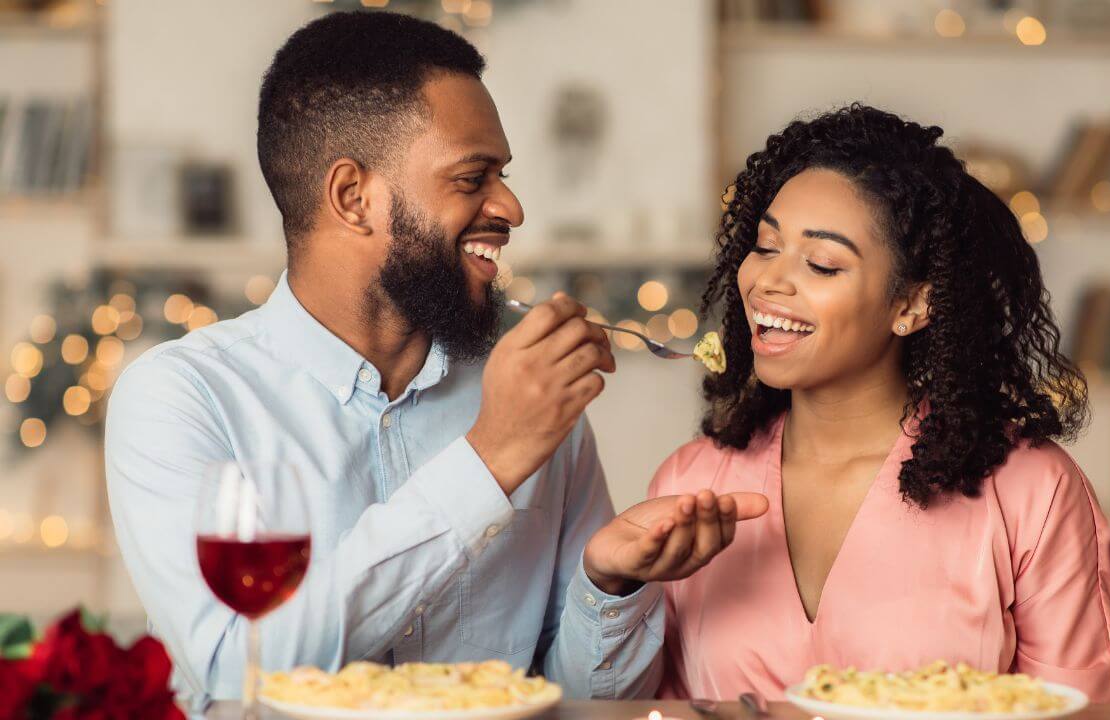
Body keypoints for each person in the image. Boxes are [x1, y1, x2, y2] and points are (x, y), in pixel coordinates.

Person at [104, 12, 765, 710]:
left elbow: (577, 703)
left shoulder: (530, 384)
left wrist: (610, 586)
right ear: (353, 197)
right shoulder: (183, 398)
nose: (510, 207)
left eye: (502, 175)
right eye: (472, 177)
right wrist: (488, 460)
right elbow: (236, 672)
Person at [651, 104, 1110, 703]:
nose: (768, 282)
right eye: (766, 245)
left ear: (912, 305)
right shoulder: (691, 481)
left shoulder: (1032, 491)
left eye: (823, 264)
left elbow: (1082, 711)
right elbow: (654, 703)